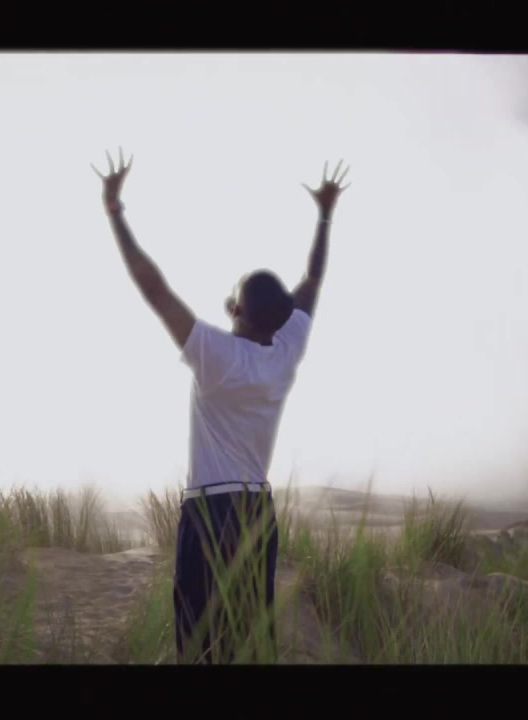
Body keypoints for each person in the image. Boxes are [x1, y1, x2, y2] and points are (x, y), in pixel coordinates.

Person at [91, 148, 350, 663]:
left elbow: (153, 287)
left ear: (236, 310)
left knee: (200, 640)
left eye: (233, 296)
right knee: (250, 638)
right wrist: (325, 214)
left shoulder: (217, 357)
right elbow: (313, 282)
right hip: (257, 511)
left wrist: (114, 210)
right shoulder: (287, 348)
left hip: (211, 512)